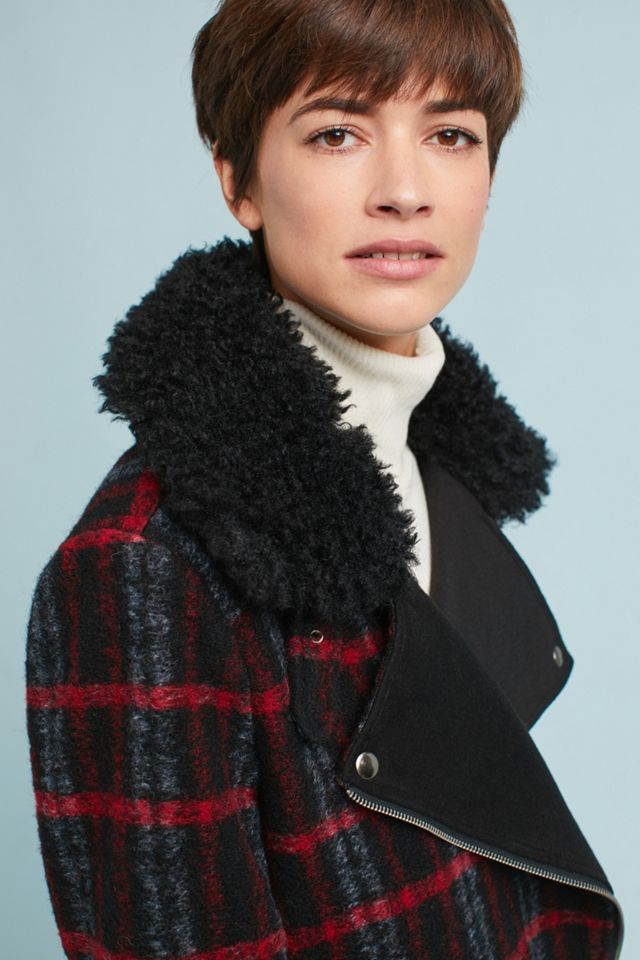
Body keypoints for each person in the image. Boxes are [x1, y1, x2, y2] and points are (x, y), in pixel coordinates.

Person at [25, 1, 624, 957]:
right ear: (238, 180)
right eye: (338, 133)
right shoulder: (145, 565)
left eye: (451, 135)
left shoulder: (437, 471)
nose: (405, 191)